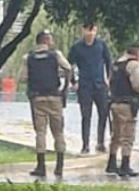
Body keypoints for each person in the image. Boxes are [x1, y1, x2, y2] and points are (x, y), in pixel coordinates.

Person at [19, 31, 74, 178]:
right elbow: (68, 68)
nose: (52, 42)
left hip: (37, 99)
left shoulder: (28, 58)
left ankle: (41, 166)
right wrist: (65, 88)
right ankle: (59, 166)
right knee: (58, 132)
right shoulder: (55, 55)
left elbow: (22, 78)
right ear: (47, 41)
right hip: (55, 98)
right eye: (51, 39)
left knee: (40, 132)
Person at [69, 22, 113, 154]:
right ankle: (85, 144)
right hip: (84, 85)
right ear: (83, 30)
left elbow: (109, 61)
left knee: (103, 114)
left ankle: (101, 142)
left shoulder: (101, 45)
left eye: (93, 30)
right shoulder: (77, 47)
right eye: (88, 30)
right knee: (85, 116)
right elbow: (68, 64)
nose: (90, 33)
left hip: (100, 84)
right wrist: (73, 81)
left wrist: (108, 79)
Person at [107, 43, 139, 178]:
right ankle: (125, 165)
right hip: (127, 104)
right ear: (137, 53)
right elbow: (136, 85)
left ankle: (111, 162)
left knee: (116, 134)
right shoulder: (133, 65)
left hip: (114, 103)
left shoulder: (116, 64)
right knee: (128, 136)